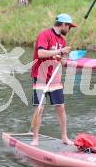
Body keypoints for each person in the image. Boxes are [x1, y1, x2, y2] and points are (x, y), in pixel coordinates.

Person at [31, 14, 76, 146]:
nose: (69, 30)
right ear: (62, 24)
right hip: (41, 76)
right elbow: (40, 53)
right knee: (40, 108)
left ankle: (64, 137)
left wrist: (65, 60)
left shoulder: (62, 40)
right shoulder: (44, 35)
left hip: (55, 77)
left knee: (61, 107)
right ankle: (35, 139)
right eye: (69, 27)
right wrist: (60, 50)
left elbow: (61, 61)